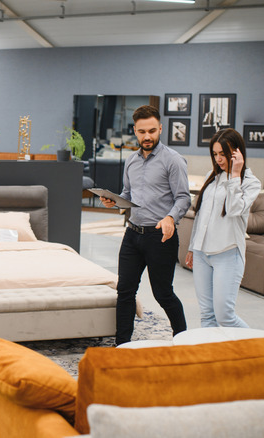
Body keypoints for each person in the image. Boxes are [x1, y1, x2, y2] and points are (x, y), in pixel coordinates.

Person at [100, 105, 191, 345]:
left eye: (152, 130)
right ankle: (122, 345)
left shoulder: (173, 160)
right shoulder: (131, 160)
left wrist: (171, 218)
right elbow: (128, 193)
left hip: (160, 237)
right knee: (125, 292)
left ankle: (183, 342)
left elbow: (184, 197)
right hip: (132, 235)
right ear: (135, 131)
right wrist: (115, 201)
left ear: (160, 129)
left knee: (163, 294)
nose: (147, 136)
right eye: (142, 132)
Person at [185, 128, 261, 328]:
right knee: (207, 315)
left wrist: (235, 175)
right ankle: (213, 358)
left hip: (228, 254)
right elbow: (201, 215)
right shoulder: (211, 176)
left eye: (223, 154)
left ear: (237, 153)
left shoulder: (251, 182)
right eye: (215, 154)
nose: (218, 159)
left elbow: (235, 209)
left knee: (225, 316)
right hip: (202, 254)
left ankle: (259, 350)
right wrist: (193, 247)